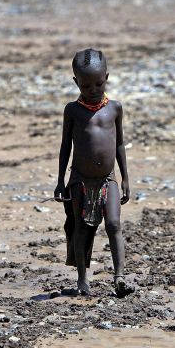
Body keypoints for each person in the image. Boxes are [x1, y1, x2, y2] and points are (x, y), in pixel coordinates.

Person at [55, 48, 134, 298]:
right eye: (86, 85)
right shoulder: (73, 111)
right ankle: (81, 280)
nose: (93, 89)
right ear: (76, 82)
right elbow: (66, 145)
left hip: (107, 179)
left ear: (107, 78)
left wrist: (126, 178)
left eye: (99, 83)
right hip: (80, 179)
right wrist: (60, 180)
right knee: (80, 228)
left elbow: (119, 143)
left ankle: (119, 277)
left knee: (113, 224)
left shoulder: (114, 109)